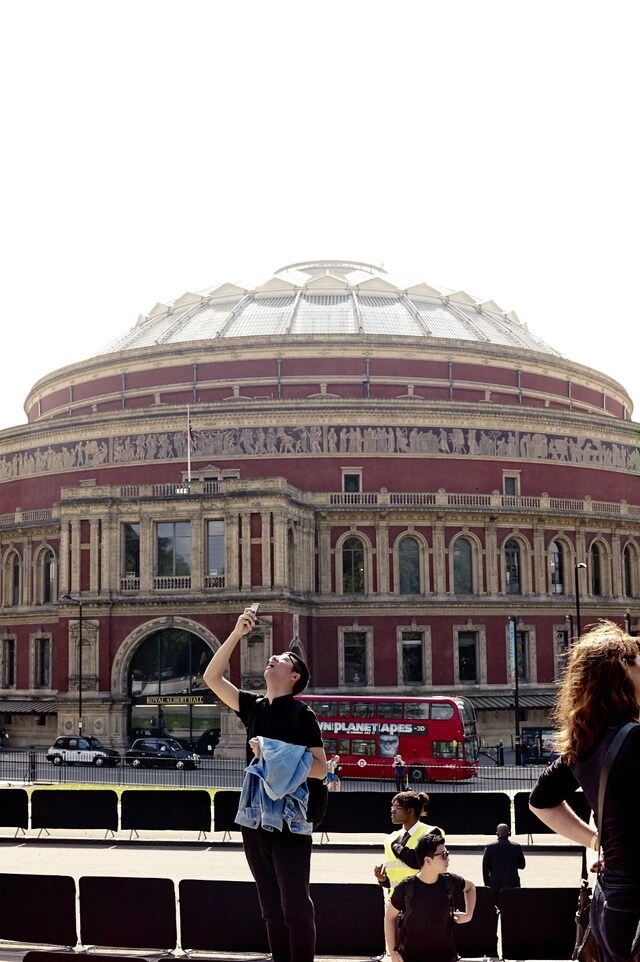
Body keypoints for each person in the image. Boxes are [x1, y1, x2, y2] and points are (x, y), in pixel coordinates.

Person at [203, 608, 327, 962]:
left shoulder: (302, 715)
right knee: (271, 909)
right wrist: (236, 634)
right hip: (255, 820)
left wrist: (271, 753)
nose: (273, 658)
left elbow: (320, 769)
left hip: (290, 821)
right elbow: (212, 677)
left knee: (294, 906)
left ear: (294, 677)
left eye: (283, 659)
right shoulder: (253, 707)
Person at [529, 620, 640, 962]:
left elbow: (540, 802)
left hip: (612, 900)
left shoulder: (586, 742)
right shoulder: (635, 739)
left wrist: (595, 840)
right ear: (623, 667)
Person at [384, 833, 476, 962]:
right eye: (444, 855)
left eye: (447, 854)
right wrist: (393, 952)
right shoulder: (406, 887)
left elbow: (470, 888)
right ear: (428, 860)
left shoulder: (449, 881)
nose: (448, 859)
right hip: (411, 957)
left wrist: (468, 915)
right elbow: (389, 918)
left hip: (446, 957)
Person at [374, 790, 444, 895]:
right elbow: (395, 879)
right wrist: (383, 880)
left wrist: (398, 848)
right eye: (392, 807)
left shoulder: (431, 832)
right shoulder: (391, 838)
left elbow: (419, 863)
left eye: (397, 807)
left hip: (422, 901)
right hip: (395, 903)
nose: (392, 811)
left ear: (410, 811)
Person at [482, 822, 526, 905]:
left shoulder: (490, 847)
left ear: (496, 834)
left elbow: (485, 868)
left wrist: (487, 885)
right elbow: (522, 865)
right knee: (511, 908)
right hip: (512, 884)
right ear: (509, 833)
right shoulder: (516, 847)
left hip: (495, 884)